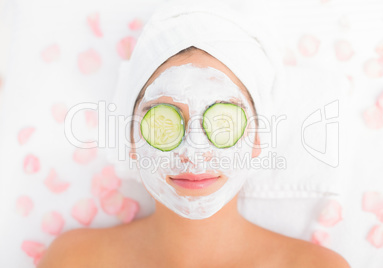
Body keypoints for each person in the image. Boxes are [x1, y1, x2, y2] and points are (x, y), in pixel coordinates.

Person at [38, 2, 350, 267]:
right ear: (131, 140)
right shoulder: (74, 259)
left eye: (223, 122)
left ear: (257, 140)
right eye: (164, 123)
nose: (194, 152)